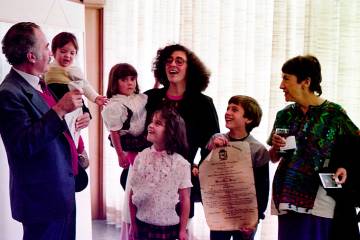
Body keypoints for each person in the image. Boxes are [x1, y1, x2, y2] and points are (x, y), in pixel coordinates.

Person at [0, 22, 89, 239]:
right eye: (47, 47)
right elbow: (23, 145)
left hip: (63, 193)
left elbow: (52, 130)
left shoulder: (41, 83)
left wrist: (77, 121)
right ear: (32, 56)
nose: (51, 53)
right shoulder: (8, 93)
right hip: (42, 203)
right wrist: (59, 109)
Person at [267, 55, 359, 240]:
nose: (281, 85)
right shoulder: (284, 115)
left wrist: (344, 166)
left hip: (323, 195)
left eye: (286, 78)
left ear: (306, 82)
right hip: (287, 195)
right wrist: (276, 149)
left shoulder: (334, 114)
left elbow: (356, 148)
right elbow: (274, 157)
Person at [206, 95, 270, 240]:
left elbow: (262, 188)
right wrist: (212, 149)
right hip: (220, 211)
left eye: (234, 110)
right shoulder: (216, 139)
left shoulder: (258, 149)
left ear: (248, 119)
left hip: (245, 215)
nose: (227, 112)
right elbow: (205, 173)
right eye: (228, 108)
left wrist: (255, 219)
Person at [45, 32, 108, 171]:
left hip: (73, 108)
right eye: (63, 51)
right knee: (62, 133)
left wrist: (96, 97)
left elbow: (84, 85)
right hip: (54, 109)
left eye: (72, 53)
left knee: (73, 130)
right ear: (53, 52)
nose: (68, 56)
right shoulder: (47, 69)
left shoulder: (73, 70)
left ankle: (80, 151)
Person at [128, 107, 192, 240]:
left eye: (158, 123)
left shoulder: (181, 164)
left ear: (171, 132)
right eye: (152, 121)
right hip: (142, 224)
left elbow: (185, 199)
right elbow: (132, 194)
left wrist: (182, 230)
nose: (151, 125)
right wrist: (133, 225)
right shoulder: (141, 157)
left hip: (168, 227)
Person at [101, 63, 147, 240]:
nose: (130, 83)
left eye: (132, 79)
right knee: (133, 187)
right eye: (124, 79)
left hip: (143, 145)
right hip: (130, 148)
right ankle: (132, 228)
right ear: (115, 82)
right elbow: (114, 132)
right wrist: (120, 154)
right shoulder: (115, 104)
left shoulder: (137, 98)